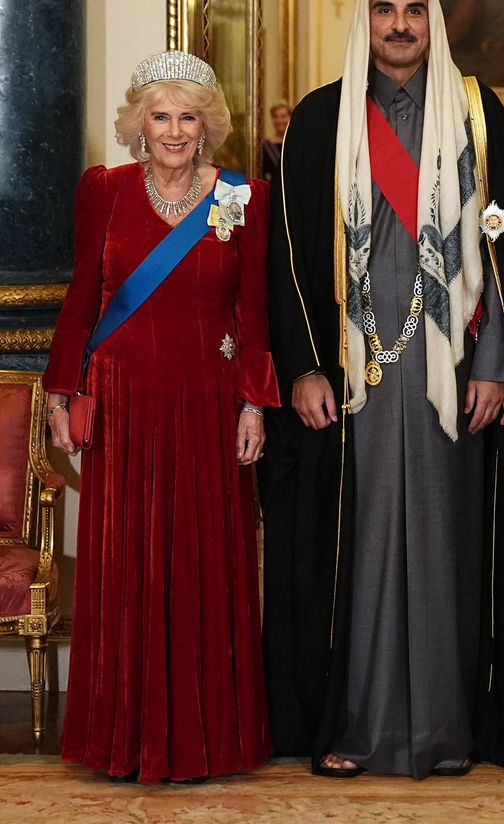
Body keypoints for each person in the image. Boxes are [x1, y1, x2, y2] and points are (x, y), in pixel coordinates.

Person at [261, 0, 504, 779]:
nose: (399, 25)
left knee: (445, 548)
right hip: (353, 376)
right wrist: (302, 369)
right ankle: (356, 727)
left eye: (413, 11)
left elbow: (502, 239)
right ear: (363, 20)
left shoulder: (475, 113)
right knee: (356, 555)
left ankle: (444, 733)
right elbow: (289, 258)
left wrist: (499, 365)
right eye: (385, 11)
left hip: (454, 373)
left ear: (434, 20)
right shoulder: (322, 120)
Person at [43, 50, 277, 783]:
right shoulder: (105, 190)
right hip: (123, 405)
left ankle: (210, 740)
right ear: (138, 124)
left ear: (208, 126)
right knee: (126, 565)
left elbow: (255, 311)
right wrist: (60, 391)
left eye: (188, 117)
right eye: (160, 115)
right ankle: (121, 737)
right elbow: (83, 296)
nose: (175, 131)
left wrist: (253, 402)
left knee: (207, 561)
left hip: (208, 404)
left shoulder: (244, 196)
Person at [261, 102, 292, 182]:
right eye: (276, 116)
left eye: (283, 116)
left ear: (290, 117)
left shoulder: (296, 143)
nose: (279, 120)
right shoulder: (266, 146)